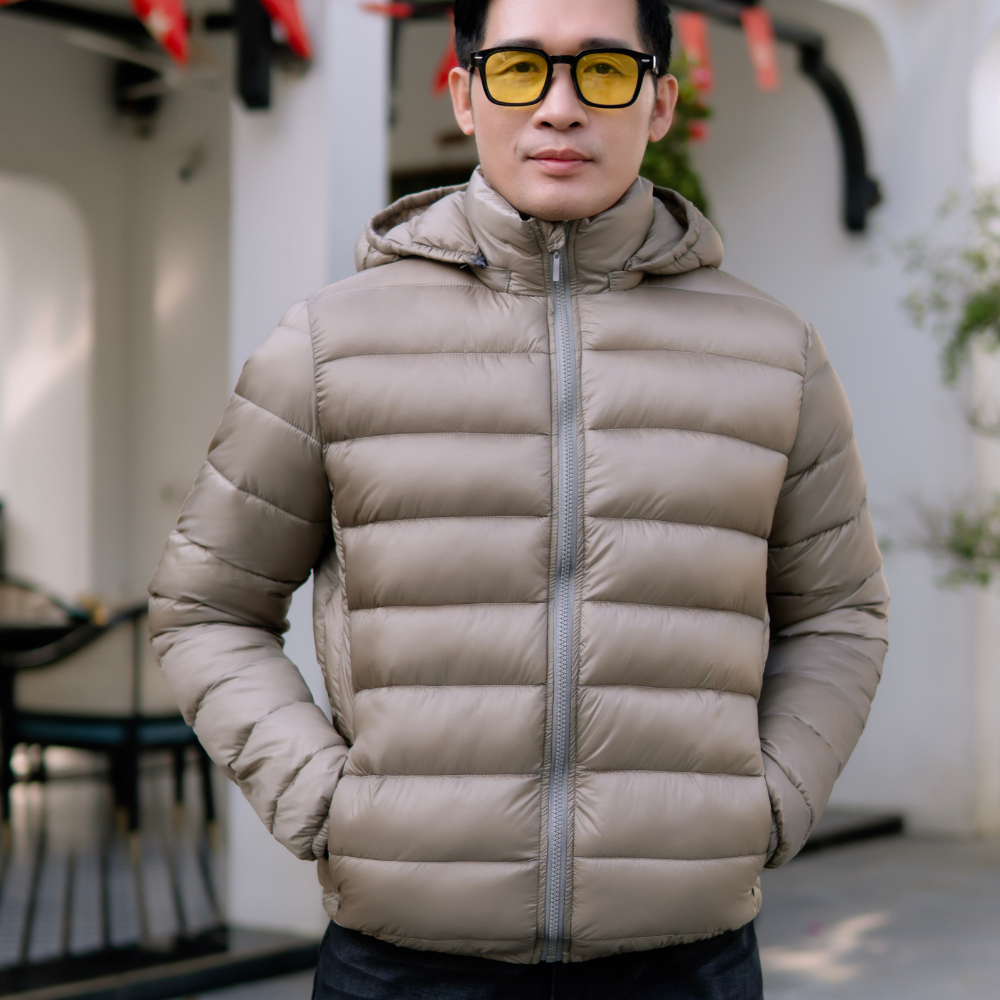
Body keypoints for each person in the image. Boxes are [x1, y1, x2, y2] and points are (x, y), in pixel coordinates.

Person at [148, 0, 889, 996]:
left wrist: (771, 802)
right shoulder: (329, 346)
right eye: (518, 69)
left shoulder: (773, 356)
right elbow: (206, 607)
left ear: (660, 103)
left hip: (684, 962)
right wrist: (328, 805)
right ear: (463, 95)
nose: (559, 106)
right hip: (406, 963)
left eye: (604, 71)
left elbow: (840, 612)